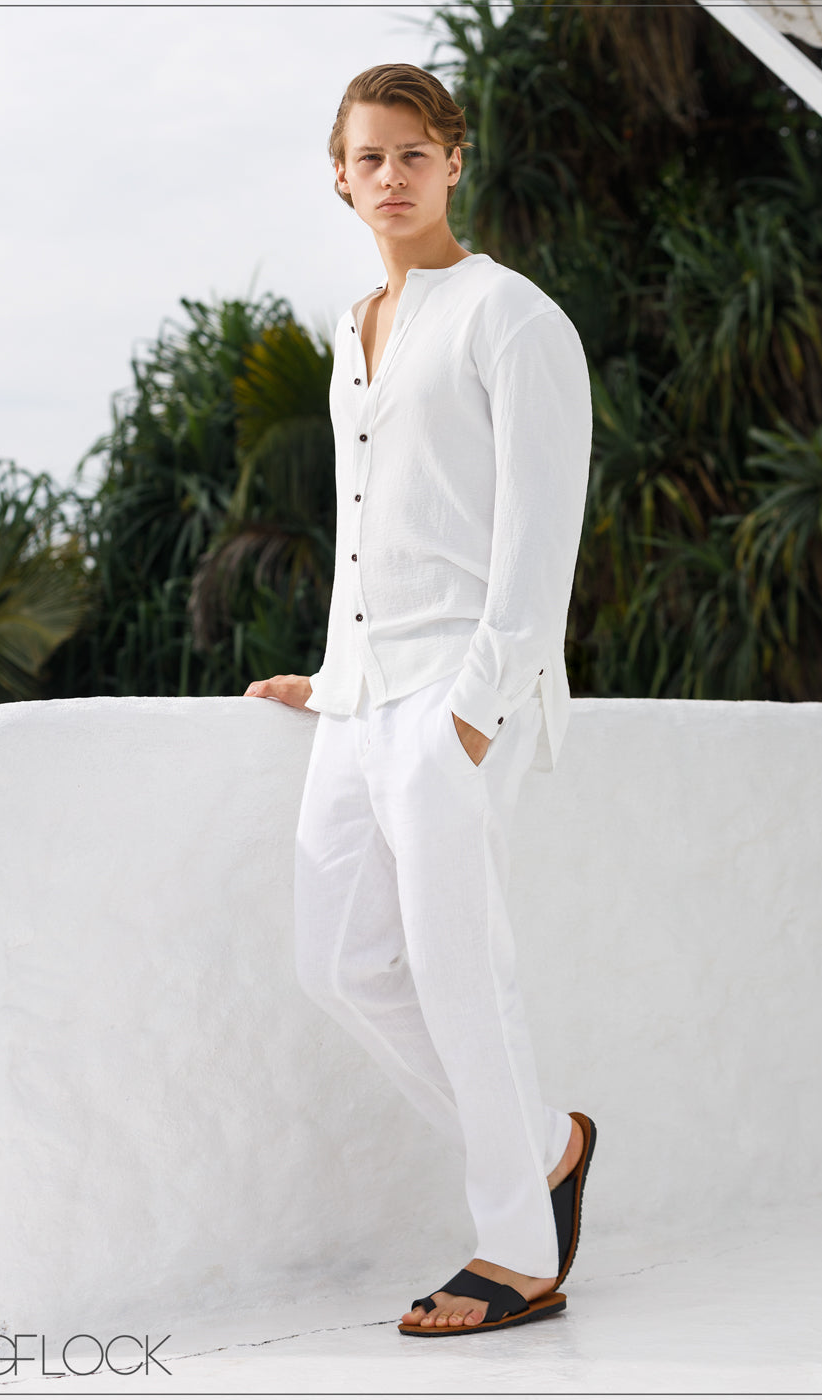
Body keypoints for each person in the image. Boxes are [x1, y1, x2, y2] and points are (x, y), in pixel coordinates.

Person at [243, 62, 596, 1336]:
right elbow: (371, 522)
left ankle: (518, 1252)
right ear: (339, 179)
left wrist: (474, 712)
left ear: (454, 160)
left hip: (456, 687)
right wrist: (333, 670)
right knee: (337, 958)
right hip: (363, 693)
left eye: (410, 153)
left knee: (459, 971)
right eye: (367, 157)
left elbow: (539, 534)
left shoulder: (512, 316)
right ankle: (545, 1143)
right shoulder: (355, 330)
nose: (388, 176)